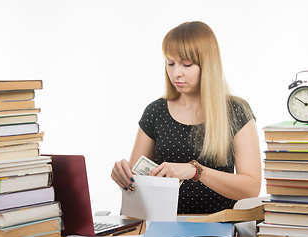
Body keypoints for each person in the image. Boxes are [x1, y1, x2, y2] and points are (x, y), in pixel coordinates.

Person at [111, 21, 261, 214]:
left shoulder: (236, 111)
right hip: (162, 225)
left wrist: (196, 171)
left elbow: (250, 188)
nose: (176, 73)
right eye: (170, 63)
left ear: (208, 65)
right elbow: (135, 185)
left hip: (218, 226)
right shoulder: (155, 111)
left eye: (186, 64)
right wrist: (123, 176)